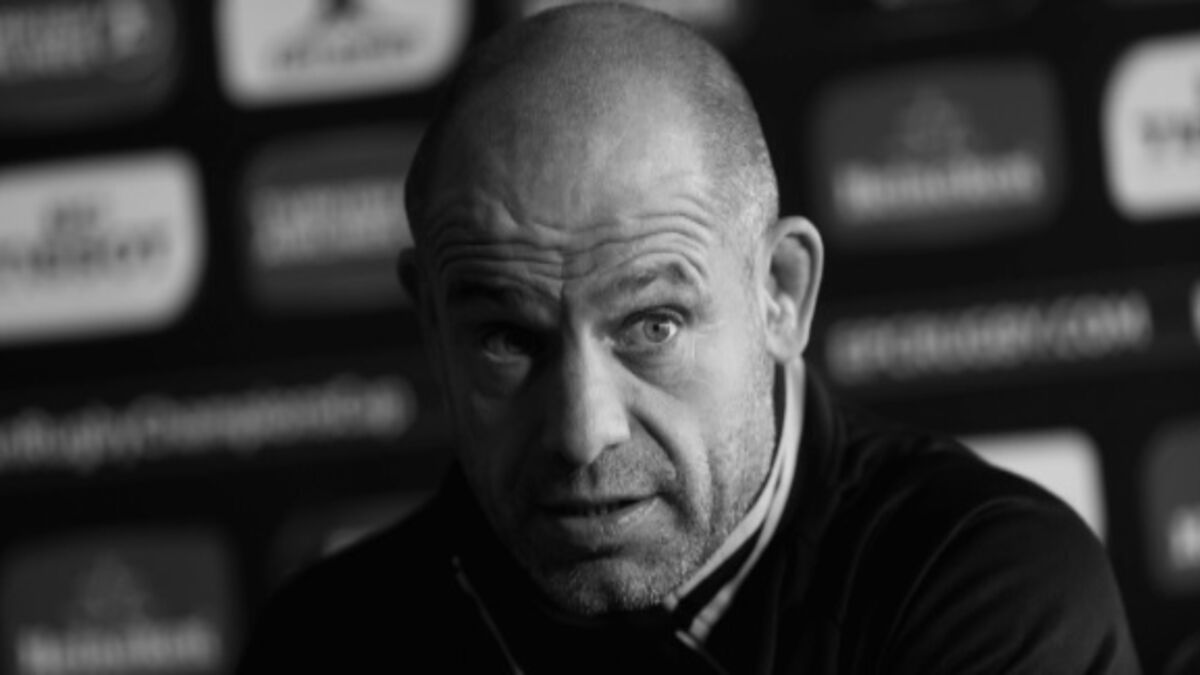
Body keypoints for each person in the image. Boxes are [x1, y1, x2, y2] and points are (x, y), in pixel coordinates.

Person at [236, 4, 1142, 673]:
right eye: (508, 338)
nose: (583, 430)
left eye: (652, 325)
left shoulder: (984, 582)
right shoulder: (325, 641)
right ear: (431, 325)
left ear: (780, 293)